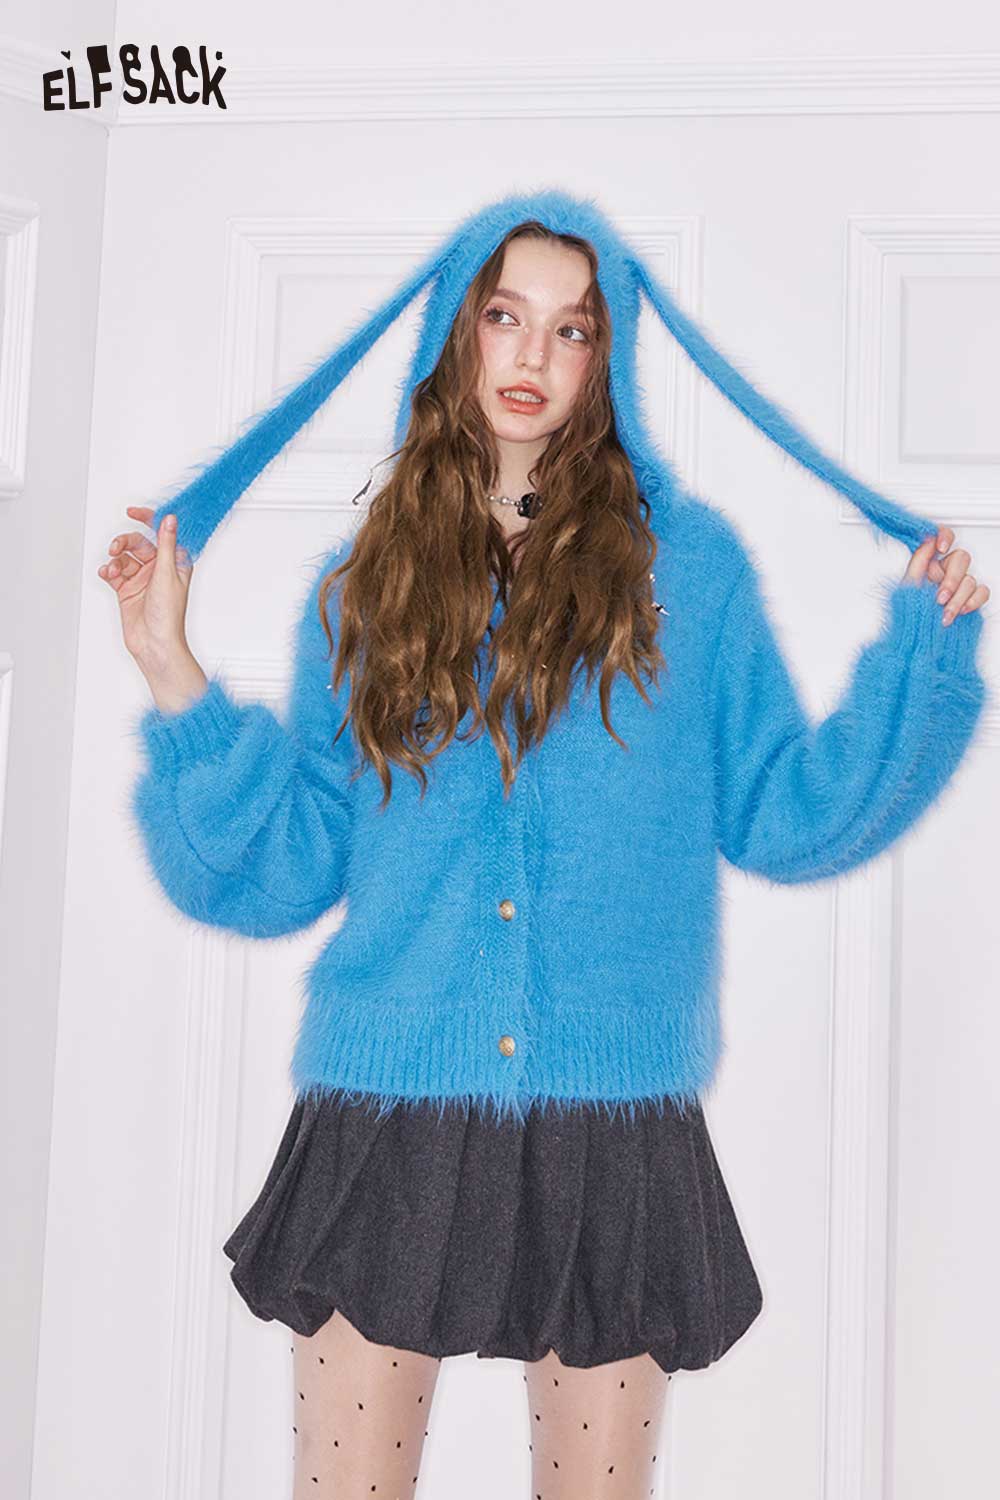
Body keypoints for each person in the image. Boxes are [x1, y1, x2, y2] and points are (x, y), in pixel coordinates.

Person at [99, 191, 989, 1499]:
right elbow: (289, 863)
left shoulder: (691, 572)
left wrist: (920, 663)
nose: (533, 356)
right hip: (388, 1107)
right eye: (505, 317)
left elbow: (783, 810)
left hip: (610, 1122)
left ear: (606, 359)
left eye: (572, 330)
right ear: (454, 336)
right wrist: (169, 666)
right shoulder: (368, 583)